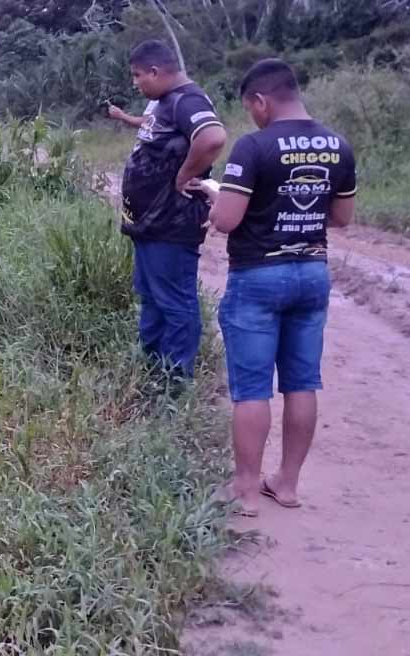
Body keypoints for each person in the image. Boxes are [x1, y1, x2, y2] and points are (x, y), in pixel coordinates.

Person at [187, 59, 356, 517]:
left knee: (252, 388)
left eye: (251, 108)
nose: (253, 117)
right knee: (303, 382)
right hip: (312, 273)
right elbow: (341, 219)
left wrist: (216, 192)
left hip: (259, 275)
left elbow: (226, 220)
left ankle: (244, 488)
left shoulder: (255, 147)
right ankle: (287, 484)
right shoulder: (338, 146)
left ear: (261, 101)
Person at [119, 40, 227, 385]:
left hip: (172, 222)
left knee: (175, 301)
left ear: (155, 71)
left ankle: (175, 384)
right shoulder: (162, 102)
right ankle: (151, 371)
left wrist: (184, 175)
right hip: (150, 222)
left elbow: (211, 138)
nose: (136, 82)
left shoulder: (187, 100)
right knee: (151, 296)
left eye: (138, 75)